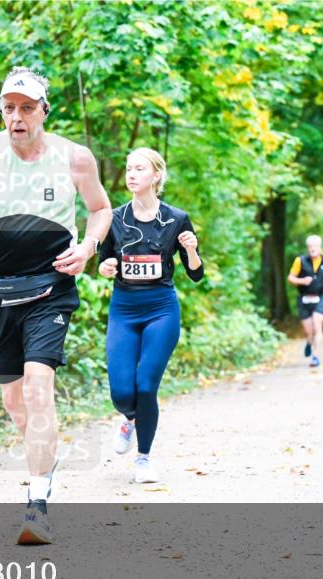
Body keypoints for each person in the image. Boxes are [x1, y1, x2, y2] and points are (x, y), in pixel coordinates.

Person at [0, 66, 111, 545]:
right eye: (9, 108)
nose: (17, 117)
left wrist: (89, 247)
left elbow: (100, 209)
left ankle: (37, 505)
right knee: (14, 402)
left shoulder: (75, 158)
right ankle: (44, 456)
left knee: (37, 389)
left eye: (27, 108)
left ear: (44, 111)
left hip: (51, 290)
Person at [98, 148, 203, 484]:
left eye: (139, 169)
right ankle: (129, 419)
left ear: (156, 175)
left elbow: (196, 274)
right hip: (124, 309)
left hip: (161, 309)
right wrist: (105, 267)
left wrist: (191, 249)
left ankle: (143, 459)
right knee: (121, 393)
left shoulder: (176, 219)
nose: (131, 174)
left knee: (145, 386)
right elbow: (103, 261)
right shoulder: (114, 218)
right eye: (129, 168)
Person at [287, 235, 323, 368]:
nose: (312, 249)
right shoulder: (300, 261)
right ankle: (309, 342)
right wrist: (301, 281)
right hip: (304, 297)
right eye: (310, 247)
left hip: (321, 296)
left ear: (320, 248)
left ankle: (316, 356)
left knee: (317, 324)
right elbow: (290, 278)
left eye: (315, 246)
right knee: (308, 331)